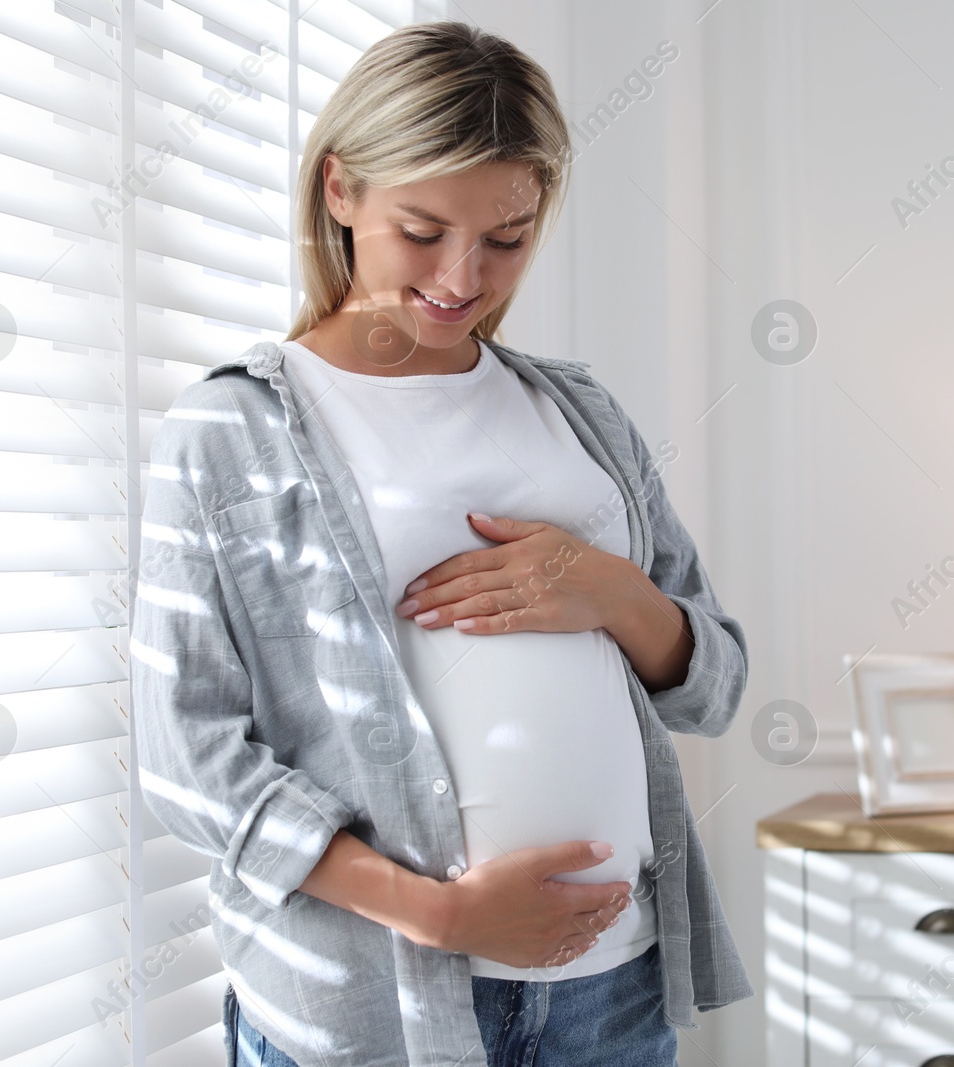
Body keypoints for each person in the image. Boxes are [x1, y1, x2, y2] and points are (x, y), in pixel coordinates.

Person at [133, 21, 751, 1067]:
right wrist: (438, 912)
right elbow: (186, 756)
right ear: (341, 190)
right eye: (422, 229)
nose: (462, 276)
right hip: (374, 1005)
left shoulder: (581, 413)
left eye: (505, 238)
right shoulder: (232, 429)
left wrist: (607, 590)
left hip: (611, 991)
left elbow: (715, 685)